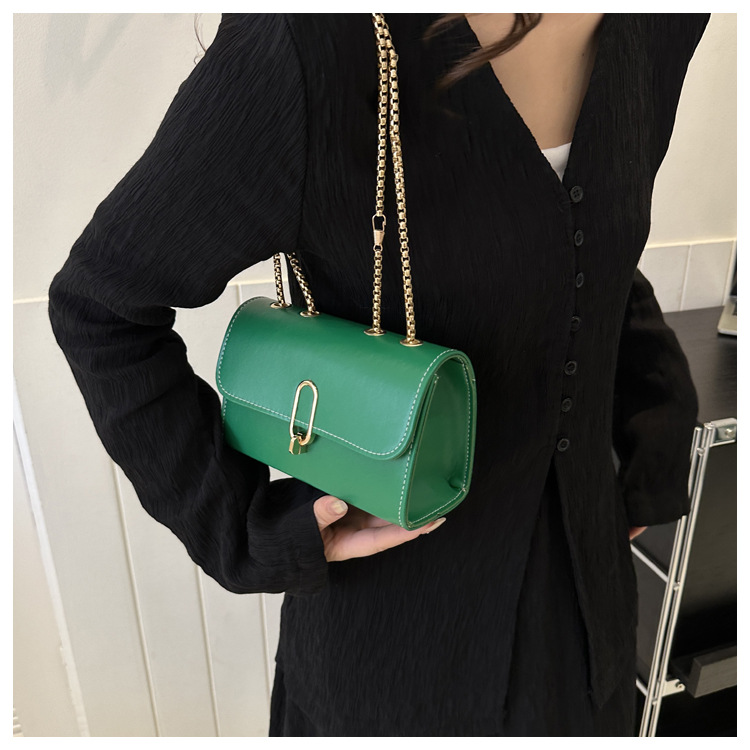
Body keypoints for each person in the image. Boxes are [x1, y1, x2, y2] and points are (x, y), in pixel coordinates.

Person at [48, 13, 710, 736]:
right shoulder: (315, 45)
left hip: (587, 627)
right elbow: (101, 305)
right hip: (393, 652)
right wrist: (245, 528)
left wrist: (657, 422)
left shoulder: (663, 24)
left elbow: (581, 242)